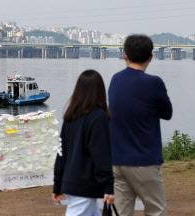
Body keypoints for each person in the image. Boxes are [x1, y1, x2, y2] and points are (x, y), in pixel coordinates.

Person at [108, 34, 172, 216]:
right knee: (156, 211)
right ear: (151, 57)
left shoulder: (115, 80)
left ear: (125, 55)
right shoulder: (154, 83)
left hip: (117, 161)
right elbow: (167, 114)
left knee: (120, 212)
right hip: (145, 160)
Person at [53, 70, 115, 216]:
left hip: (71, 182)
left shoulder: (70, 117)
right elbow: (101, 155)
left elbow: (61, 153)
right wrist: (108, 187)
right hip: (84, 184)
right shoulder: (98, 118)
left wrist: (58, 185)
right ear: (100, 91)